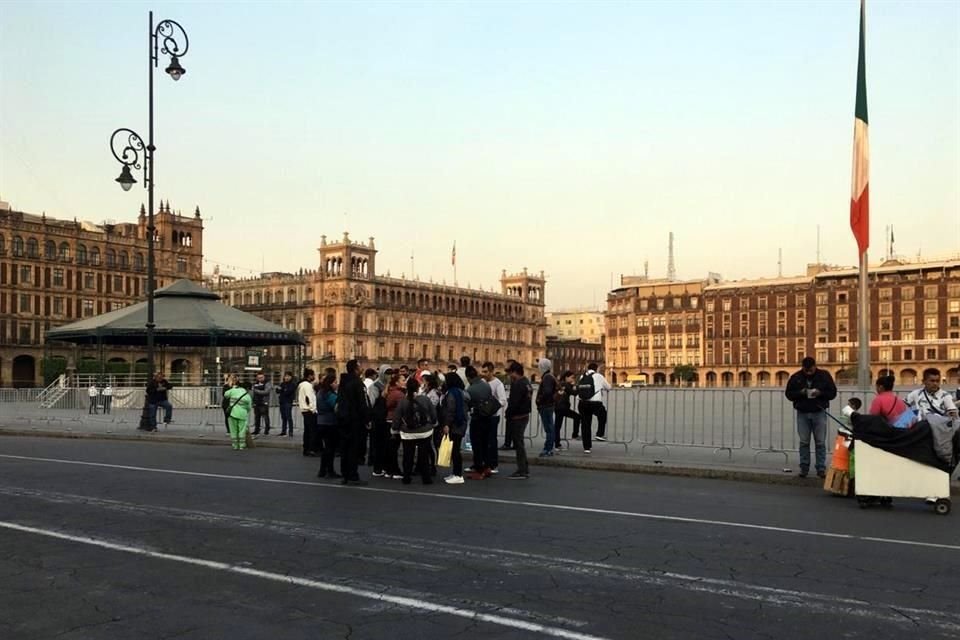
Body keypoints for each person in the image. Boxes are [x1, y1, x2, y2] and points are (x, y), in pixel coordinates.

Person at [784, 357, 838, 478]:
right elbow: (788, 394)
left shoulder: (824, 376)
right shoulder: (796, 377)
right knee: (804, 441)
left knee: (820, 442)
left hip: (819, 411)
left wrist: (820, 393)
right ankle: (804, 467)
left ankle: (821, 468)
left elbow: (833, 393)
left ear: (815, 366)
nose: (808, 372)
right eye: (806, 370)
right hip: (802, 412)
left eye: (811, 370)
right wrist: (801, 393)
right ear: (802, 367)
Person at [395, 377, 437, 485]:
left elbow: (397, 417)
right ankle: (426, 478)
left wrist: (395, 428)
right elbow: (433, 414)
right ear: (418, 387)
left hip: (408, 433)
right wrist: (433, 423)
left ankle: (406, 477)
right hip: (424, 432)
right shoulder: (425, 399)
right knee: (424, 456)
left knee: (408, 455)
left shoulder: (403, 401)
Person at [337, 359, 370, 485]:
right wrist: (367, 419)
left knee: (345, 448)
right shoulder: (357, 383)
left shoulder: (343, 382)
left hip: (343, 419)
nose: (362, 369)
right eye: (360, 367)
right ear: (356, 369)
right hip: (355, 420)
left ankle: (345, 474)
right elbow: (362, 403)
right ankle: (353, 475)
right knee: (353, 449)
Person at [440, 373, 470, 484]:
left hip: (455, 424)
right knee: (454, 449)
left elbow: (450, 410)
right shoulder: (462, 392)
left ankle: (458, 474)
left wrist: (447, 424)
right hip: (460, 423)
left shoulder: (452, 393)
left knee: (455, 450)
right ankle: (455, 473)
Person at [505, 362, 533, 479]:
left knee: (518, 444)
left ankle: (522, 470)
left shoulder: (518, 384)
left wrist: (508, 414)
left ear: (514, 372)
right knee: (519, 443)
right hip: (524, 415)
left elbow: (514, 403)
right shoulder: (527, 382)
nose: (509, 375)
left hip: (517, 417)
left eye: (510, 372)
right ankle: (524, 468)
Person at [465, 365, 494, 478]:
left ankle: (479, 470)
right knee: (485, 443)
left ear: (468, 377)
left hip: (477, 418)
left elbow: (468, 405)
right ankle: (487, 467)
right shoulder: (486, 385)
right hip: (488, 417)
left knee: (477, 445)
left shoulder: (470, 389)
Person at [577, 363, 611, 453]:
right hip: (595, 403)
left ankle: (587, 448)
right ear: (596, 369)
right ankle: (599, 433)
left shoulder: (582, 377)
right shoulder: (599, 376)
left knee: (585, 425)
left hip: (582, 403)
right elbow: (609, 387)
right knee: (602, 414)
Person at [481, 362, 507, 475]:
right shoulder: (482, 382)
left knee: (491, 441)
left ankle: (493, 464)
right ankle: (482, 463)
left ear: (491, 371)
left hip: (492, 416)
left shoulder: (498, 384)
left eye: (486, 372)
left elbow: (503, 400)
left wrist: (492, 407)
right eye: (483, 371)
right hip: (482, 415)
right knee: (481, 440)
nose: (483, 374)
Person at [315, 373, 342, 479]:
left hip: (321, 422)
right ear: (330, 383)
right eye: (335, 382)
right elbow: (336, 407)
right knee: (330, 448)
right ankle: (329, 470)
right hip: (329, 423)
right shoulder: (329, 394)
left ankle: (322, 470)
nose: (336, 384)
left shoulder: (321, 392)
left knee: (327, 448)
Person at [381, 368, 405, 479]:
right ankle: (395, 470)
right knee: (394, 447)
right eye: (403, 380)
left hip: (389, 419)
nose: (404, 382)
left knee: (390, 447)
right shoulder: (398, 394)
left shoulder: (389, 391)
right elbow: (402, 409)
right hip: (395, 421)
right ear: (397, 383)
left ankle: (388, 469)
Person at [223, 375, 252, 451]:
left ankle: (235, 445)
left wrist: (231, 387)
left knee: (233, 430)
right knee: (242, 430)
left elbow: (225, 395)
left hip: (232, 414)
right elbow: (249, 408)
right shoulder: (248, 396)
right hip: (242, 415)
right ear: (248, 389)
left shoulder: (234, 390)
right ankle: (242, 445)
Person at [536, 358, 558, 457]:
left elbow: (547, 392)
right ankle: (549, 448)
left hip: (546, 405)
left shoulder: (547, 377)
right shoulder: (550, 376)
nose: (538, 367)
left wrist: (539, 399)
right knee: (550, 427)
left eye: (539, 365)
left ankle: (547, 449)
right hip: (549, 405)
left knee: (549, 428)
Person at [298, 368, 319, 457]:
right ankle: (311, 449)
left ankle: (306, 449)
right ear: (310, 376)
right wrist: (313, 409)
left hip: (305, 410)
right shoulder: (308, 385)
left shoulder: (302, 385)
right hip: (309, 411)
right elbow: (310, 398)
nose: (314, 377)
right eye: (313, 375)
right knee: (312, 431)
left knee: (307, 431)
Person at [556, 371, 581, 445]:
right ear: (566, 377)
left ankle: (557, 443)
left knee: (557, 425)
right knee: (577, 417)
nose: (573, 379)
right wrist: (577, 387)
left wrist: (572, 385)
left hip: (557, 407)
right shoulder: (565, 385)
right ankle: (575, 435)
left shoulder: (560, 383)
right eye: (572, 378)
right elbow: (574, 393)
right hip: (563, 407)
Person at [276, 372, 297, 437]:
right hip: (282, 402)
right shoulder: (282, 383)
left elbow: (288, 392)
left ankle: (290, 431)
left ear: (291, 377)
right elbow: (277, 391)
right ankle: (283, 431)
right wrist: (283, 390)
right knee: (283, 417)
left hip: (288, 402)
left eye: (288, 376)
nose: (287, 377)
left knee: (288, 417)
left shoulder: (292, 384)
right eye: (286, 376)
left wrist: (282, 390)